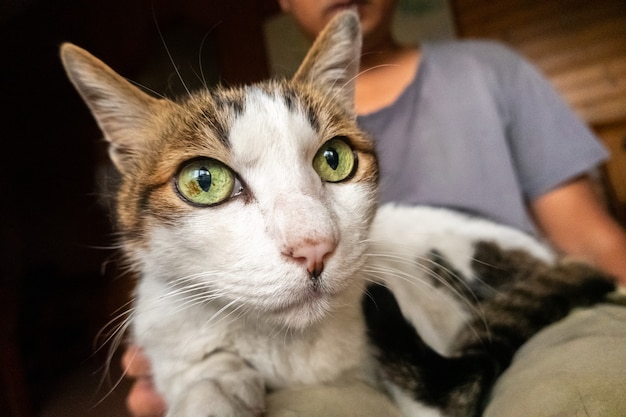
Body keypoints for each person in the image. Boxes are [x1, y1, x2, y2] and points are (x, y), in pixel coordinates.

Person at [123, 1, 626, 416]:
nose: (312, 239)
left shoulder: (492, 68)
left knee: (583, 396)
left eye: (332, 160)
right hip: (366, 366)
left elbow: (593, 241)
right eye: (206, 182)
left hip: (515, 285)